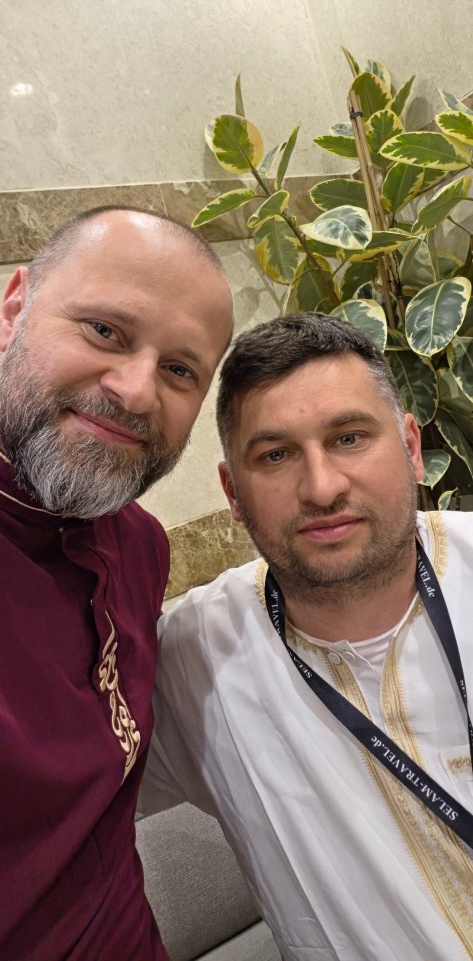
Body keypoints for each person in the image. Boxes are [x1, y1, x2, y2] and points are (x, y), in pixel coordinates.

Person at [142, 312, 473, 961]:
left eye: (348, 437)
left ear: (411, 446)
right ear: (233, 492)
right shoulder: (193, 658)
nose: (321, 487)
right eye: (275, 455)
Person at [0, 206, 233, 961]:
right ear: (14, 308)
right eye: (104, 330)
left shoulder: (139, 547)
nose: (136, 392)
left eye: (179, 370)